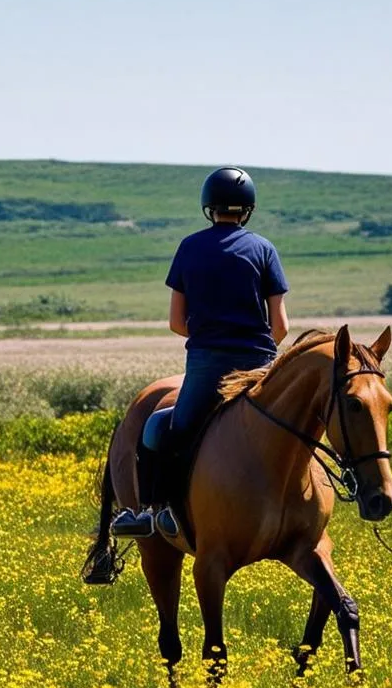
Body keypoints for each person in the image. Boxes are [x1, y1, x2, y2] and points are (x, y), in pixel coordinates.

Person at [111, 165, 290, 538]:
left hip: (208, 364)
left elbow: (177, 322)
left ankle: (150, 511)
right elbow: (281, 327)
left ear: (209, 207)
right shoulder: (264, 249)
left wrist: (212, 333)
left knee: (163, 426)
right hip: (259, 363)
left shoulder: (190, 247)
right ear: (248, 209)